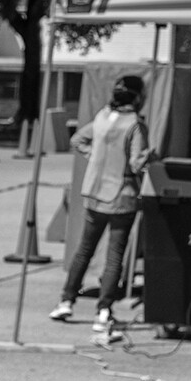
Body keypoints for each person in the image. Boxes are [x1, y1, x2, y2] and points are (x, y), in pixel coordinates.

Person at [51, 75, 152, 333]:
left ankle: (66, 300)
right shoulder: (135, 125)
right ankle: (104, 309)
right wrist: (152, 157)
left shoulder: (102, 117)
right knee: (114, 255)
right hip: (122, 194)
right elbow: (136, 163)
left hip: (94, 192)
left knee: (85, 249)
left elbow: (77, 140)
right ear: (139, 97)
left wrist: (95, 157)